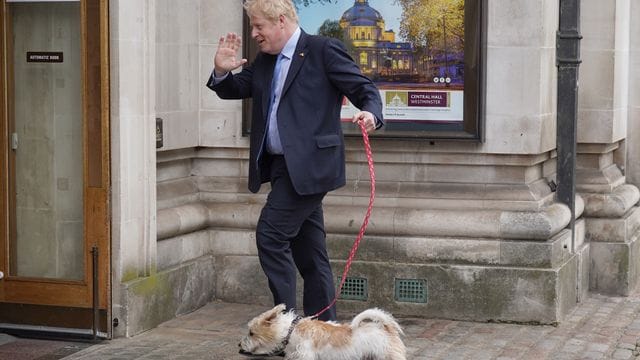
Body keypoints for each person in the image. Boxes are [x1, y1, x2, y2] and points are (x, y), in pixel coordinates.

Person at [206, 0, 383, 322]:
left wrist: (371, 112)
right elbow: (236, 88)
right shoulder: (264, 61)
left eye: (259, 26)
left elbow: (362, 87)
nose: (254, 33)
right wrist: (221, 71)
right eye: (253, 26)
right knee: (310, 254)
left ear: (282, 21)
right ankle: (324, 325)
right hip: (280, 168)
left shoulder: (323, 50)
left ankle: (285, 324)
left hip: (311, 167)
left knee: (270, 236)